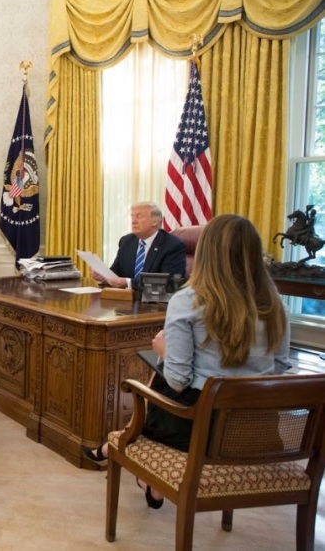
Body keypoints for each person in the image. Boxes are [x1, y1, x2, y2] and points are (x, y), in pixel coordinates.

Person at [83, 214, 291, 509]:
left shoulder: (189, 301)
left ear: (207, 253)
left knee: (158, 375)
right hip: (254, 429)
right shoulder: (277, 304)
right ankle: (117, 454)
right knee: (162, 378)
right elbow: (280, 367)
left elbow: (179, 381)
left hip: (197, 430)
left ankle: (126, 455)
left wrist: (163, 348)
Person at [90, 201, 186, 289]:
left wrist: (128, 283)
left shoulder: (173, 245)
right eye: (132, 216)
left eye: (139, 216)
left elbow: (168, 281)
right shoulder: (126, 241)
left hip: (155, 304)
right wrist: (105, 276)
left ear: (155, 221)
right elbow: (116, 271)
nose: (133, 221)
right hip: (124, 301)